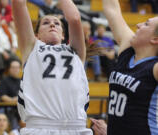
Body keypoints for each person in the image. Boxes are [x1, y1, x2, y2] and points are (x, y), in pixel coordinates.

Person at [12, 0, 92, 135]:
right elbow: (18, 3)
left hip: (76, 126)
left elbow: (74, 17)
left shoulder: (75, 50)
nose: (52, 24)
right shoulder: (31, 47)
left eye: (57, 23)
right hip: (39, 126)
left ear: (63, 35)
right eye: (45, 23)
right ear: (36, 35)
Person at [91, 0, 158, 134]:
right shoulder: (128, 49)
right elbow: (112, 10)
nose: (138, 25)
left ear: (155, 39)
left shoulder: (155, 67)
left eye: (146, 24)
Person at [0, 59, 21, 130]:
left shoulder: (21, 81)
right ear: (9, 69)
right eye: (13, 67)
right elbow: (2, 96)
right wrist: (14, 100)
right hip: (6, 107)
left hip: (19, 108)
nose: (15, 69)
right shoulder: (4, 80)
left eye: (17, 67)